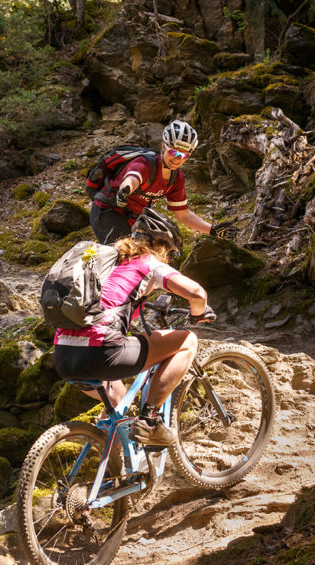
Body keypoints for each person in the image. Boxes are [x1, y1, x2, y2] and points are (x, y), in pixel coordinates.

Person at [52, 208, 215, 446]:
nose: (169, 259)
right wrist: (198, 312)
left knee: (118, 404)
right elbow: (197, 293)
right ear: (161, 247)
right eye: (170, 253)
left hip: (64, 355)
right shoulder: (149, 263)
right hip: (99, 352)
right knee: (188, 340)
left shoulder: (105, 263)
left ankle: (111, 474)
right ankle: (150, 421)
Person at [89, 120, 237, 244]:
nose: (178, 159)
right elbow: (132, 178)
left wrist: (213, 230)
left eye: (185, 155)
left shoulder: (176, 178)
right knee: (122, 257)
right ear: (163, 146)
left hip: (133, 219)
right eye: (174, 152)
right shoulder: (146, 163)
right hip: (107, 211)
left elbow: (183, 214)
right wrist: (125, 190)